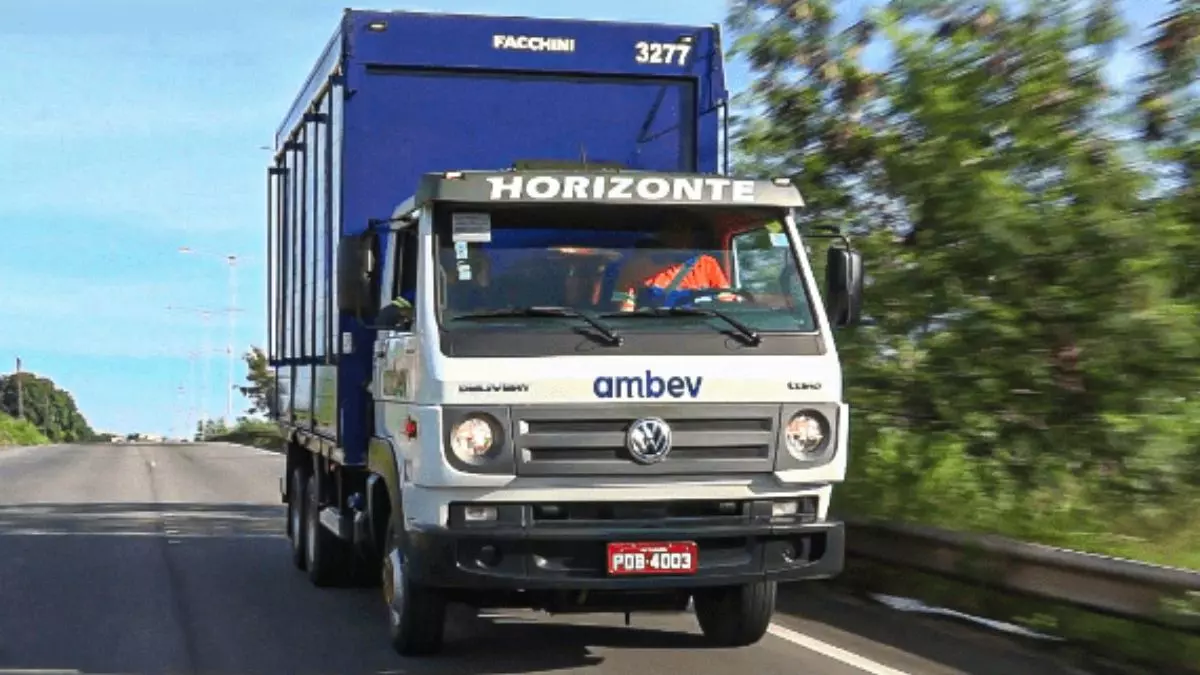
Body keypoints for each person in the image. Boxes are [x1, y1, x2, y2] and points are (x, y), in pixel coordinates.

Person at [612, 222, 733, 312]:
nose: (679, 237)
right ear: (661, 236)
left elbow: (726, 301)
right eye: (674, 231)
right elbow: (623, 306)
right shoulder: (635, 267)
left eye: (685, 231)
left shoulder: (707, 264)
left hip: (700, 331)